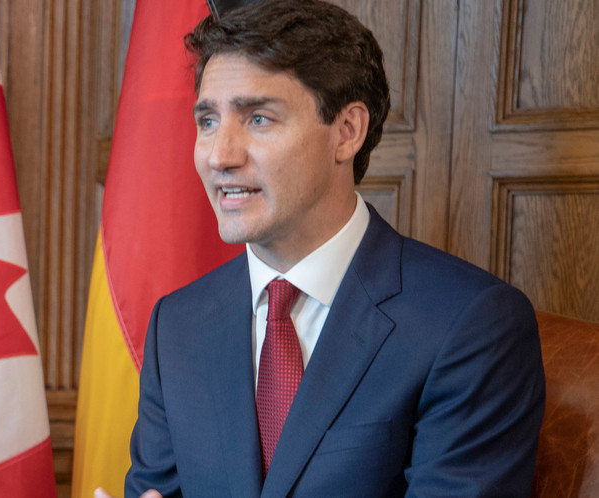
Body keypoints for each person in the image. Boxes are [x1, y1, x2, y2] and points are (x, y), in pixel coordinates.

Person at [108, 0, 546, 496]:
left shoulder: (472, 324)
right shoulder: (177, 325)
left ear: (347, 132)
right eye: (208, 121)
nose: (218, 156)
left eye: (258, 119)